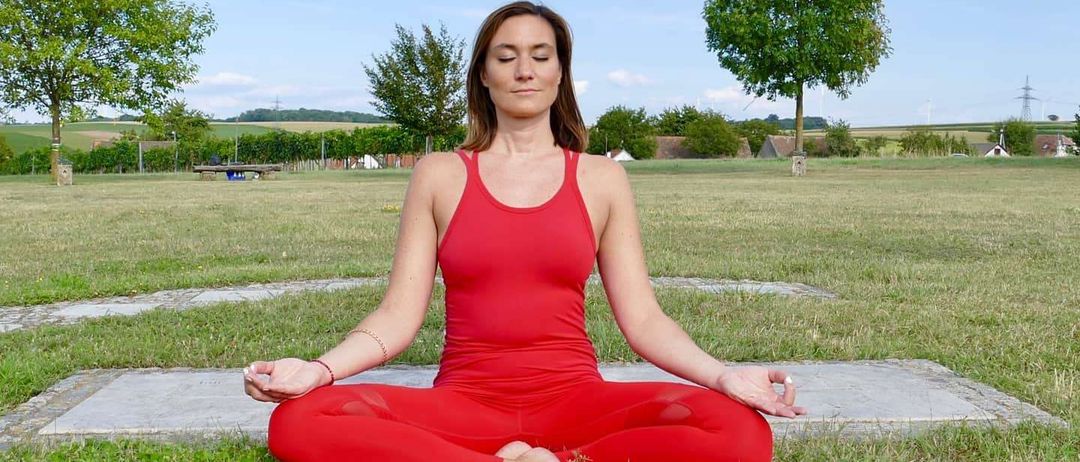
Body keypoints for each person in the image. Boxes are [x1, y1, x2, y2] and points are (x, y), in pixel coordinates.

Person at [244, 2, 805, 461]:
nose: (524, 70)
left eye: (541, 56)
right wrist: (318, 370)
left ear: (560, 72)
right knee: (298, 422)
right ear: (483, 74)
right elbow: (397, 316)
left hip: (576, 402)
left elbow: (644, 321)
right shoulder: (439, 174)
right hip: (465, 405)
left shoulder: (601, 178)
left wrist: (724, 376)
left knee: (741, 432)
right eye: (506, 56)